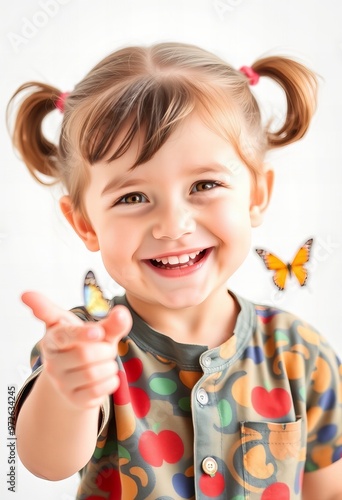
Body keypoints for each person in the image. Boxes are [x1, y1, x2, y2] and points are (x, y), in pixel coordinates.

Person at [8, 42, 342, 500]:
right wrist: (70, 391)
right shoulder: (84, 346)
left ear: (257, 195)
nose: (172, 226)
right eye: (132, 197)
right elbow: (45, 463)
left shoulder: (301, 354)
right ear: (85, 223)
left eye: (204, 185)